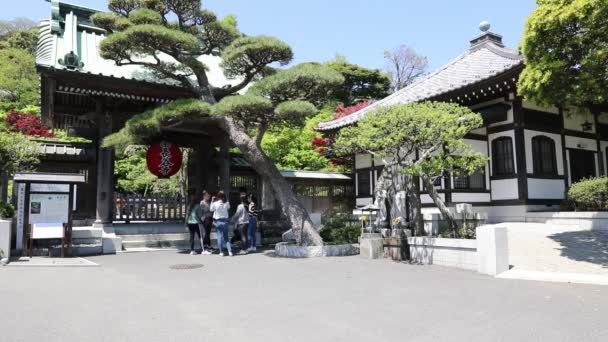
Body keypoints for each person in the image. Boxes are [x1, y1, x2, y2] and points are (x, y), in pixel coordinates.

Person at [210, 191, 232, 256]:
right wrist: (226, 200)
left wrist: (212, 201)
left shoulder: (215, 203)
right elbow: (229, 207)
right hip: (225, 221)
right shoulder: (227, 203)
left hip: (218, 221)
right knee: (226, 237)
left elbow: (211, 209)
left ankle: (221, 252)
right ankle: (230, 251)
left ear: (218, 196)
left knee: (219, 237)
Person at [199, 191, 213, 255]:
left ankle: (208, 245)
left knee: (208, 232)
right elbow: (204, 210)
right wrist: (210, 207)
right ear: (204, 196)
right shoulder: (202, 202)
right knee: (206, 233)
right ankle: (205, 246)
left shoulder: (209, 202)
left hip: (210, 218)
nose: (209, 197)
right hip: (205, 219)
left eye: (209, 196)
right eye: (208, 196)